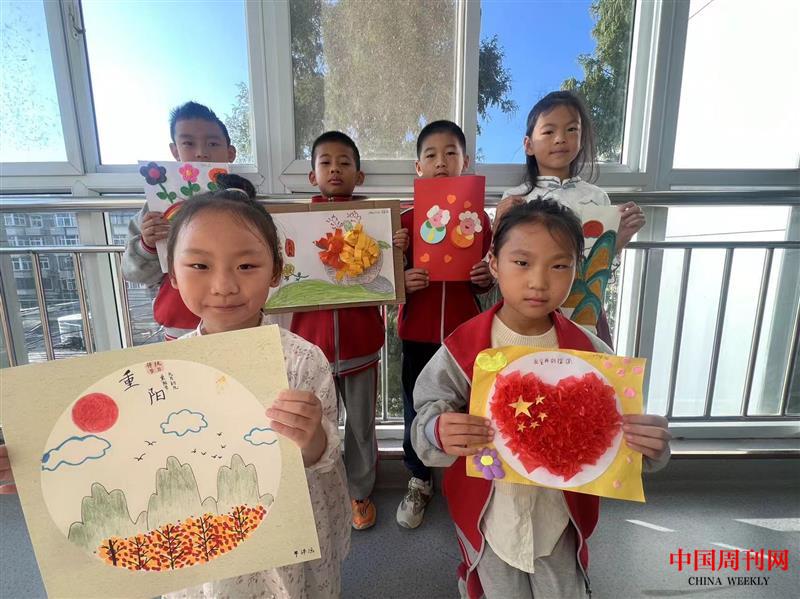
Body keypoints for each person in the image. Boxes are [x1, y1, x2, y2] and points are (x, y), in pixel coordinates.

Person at [412, 200, 671, 599]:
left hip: (560, 519)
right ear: (494, 263)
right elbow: (426, 415)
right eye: (522, 262)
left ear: (576, 270)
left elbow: (623, 440)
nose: (538, 281)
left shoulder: (591, 353)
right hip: (490, 518)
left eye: (559, 265)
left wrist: (650, 448)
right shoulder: (463, 347)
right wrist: (436, 429)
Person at [288, 131, 409, 530]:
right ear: (312, 176)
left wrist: (398, 247)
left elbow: (391, 277)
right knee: (313, 426)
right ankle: (318, 493)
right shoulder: (295, 224)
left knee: (360, 428)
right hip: (311, 351)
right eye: (325, 162)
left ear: (359, 175)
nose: (335, 169)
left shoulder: (375, 223)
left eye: (344, 162)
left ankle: (360, 492)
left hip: (361, 347)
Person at [395, 120, 494, 529]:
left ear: (465, 162)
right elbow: (383, 282)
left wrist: (485, 278)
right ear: (418, 167)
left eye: (450, 153)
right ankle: (419, 480)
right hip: (417, 333)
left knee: (468, 410)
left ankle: (465, 483)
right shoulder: (403, 221)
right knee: (415, 410)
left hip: (464, 337)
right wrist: (402, 279)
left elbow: (491, 277)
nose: (441, 161)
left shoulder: (481, 220)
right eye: (431, 155)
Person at [495, 91, 646, 346]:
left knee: (581, 363)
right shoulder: (515, 198)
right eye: (548, 131)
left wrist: (617, 241)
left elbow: (597, 265)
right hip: (529, 309)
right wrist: (497, 222)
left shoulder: (597, 198)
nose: (560, 138)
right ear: (528, 145)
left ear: (582, 139)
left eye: (571, 129)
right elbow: (500, 261)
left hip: (583, 311)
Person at [121, 101, 237, 340]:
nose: (201, 153)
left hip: (239, 321)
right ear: (175, 151)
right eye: (188, 143)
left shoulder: (245, 202)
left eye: (213, 143)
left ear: (230, 153)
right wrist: (147, 245)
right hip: (181, 326)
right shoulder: (154, 211)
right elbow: (133, 274)